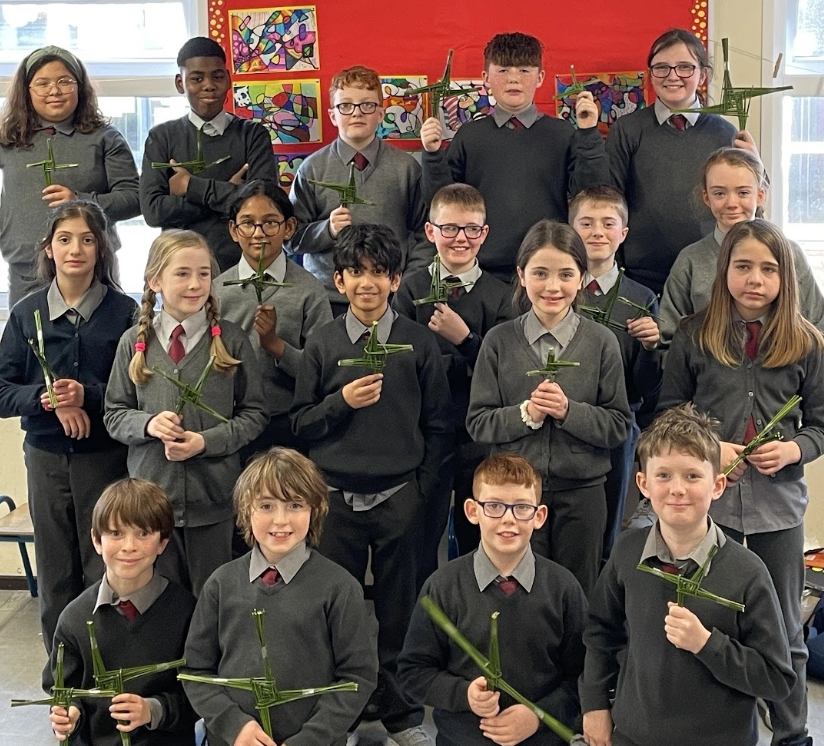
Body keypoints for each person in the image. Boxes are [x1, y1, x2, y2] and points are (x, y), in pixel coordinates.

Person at [659, 219, 824, 746]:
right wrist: (709, 450)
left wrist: (796, 449)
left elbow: (821, 425)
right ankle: (718, 727)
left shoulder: (807, 343)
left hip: (779, 509)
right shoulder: (692, 334)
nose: (755, 279)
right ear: (724, 269)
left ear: (786, 277)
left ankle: (792, 733)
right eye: (744, 266)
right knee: (710, 620)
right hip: (711, 510)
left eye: (769, 269)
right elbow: (667, 414)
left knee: (784, 625)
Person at [290, 224, 452, 745]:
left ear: (396, 280)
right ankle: (340, 716)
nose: (367, 283)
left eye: (379, 273)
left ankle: (402, 715)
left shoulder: (418, 341)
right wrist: (341, 403)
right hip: (334, 500)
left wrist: (421, 490)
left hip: (400, 497)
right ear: (338, 280)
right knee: (336, 613)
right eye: (355, 272)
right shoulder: (323, 342)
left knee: (399, 613)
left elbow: (440, 425)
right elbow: (300, 422)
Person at [580, 404, 796, 746]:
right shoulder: (627, 551)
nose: (677, 489)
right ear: (643, 483)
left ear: (718, 485)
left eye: (692, 476)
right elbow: (600, 631)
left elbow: (777, 678)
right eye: (663, 475)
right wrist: (594, 704)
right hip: (634, 736)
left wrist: (707, 645)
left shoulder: (748, 572)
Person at [466, 220, 630, 596]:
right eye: (540, 273)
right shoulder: (499, 341)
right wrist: (526, 415)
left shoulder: (602, 342)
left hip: (583, 493)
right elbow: (478, 423)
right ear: (522, 275)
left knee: (579, 593)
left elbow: (619, 424)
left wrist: (570, 411)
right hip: (515, 496)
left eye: (565, 274)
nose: (552, 287)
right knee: (520, 592)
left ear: (582, 278)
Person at [0, 200, 136, 651]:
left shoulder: (126, 313)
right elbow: (2, 391)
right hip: (46, 458)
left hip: (106, 457)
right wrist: (47, 400)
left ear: (102, 249)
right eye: (64, 239)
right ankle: (62, 667)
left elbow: (139, 386)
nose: (75, 249)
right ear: (48, 249)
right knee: (55, 566)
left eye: (87, 239)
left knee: (106, 562)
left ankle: (106, 663)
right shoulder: (26, 313)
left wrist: (87, 395)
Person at [104, 229, 267, 595]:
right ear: (155, 281)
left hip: (214, 502)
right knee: (159, 602)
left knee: (213, 599)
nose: (195, 284)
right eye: (182, 273)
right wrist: (148, 424)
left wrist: (205, 442)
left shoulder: (231, 340)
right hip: (150, 508)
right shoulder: (133, 342)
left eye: (204, 273)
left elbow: (255, 414)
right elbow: (114, 413)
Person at [182, 447, 378, 746]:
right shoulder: (220, 584)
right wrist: (234, 726)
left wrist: (310, 739)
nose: (281, 520)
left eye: (295, 505)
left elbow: (357, 678)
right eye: (266, 506)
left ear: (315, 509)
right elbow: (195, 671)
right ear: (246, 510)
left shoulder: (340, 587)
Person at [398, 452, 587, 746]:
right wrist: (464, 694)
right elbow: (413, 673)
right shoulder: (443, 587)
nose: (508, 519)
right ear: (473, 511)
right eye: (495, 506)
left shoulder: (563, 588)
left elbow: (584, 677)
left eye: (522, 507)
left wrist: (539, 715)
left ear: (539, 516)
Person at [419, 32, 607, 281]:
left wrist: (589, 133)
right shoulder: (470, 136)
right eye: (503, 70)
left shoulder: (562, 134)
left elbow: (591, 194)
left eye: (524, 70)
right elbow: (440, 203)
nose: (514, 79)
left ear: (540, 77)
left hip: (547, 266)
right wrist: (433, 155)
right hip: (481, 269)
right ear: (486, 78)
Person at [393, 183, 512, 563]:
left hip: (477, 435)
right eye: (449, 228)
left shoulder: (502, 296)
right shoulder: (410, 290)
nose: (461, 238)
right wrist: (458, 364)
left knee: (476, 534)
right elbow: (400, 363)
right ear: (431, 232)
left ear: (484, 233)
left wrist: (465, 340)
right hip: (422, 433)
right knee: (421, 534)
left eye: (471, 229)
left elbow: (505, 372)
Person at [606, 28, 760, 295]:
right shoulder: (627, 130)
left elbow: (745, 206)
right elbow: (610, 202)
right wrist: (615, 266)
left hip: (711, 274)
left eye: (685, 67)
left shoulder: (725, 133)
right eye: (661, 68)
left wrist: (756, 168)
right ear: (650, 74)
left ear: (703, 74)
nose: (673, 76)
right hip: (641, 277)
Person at [46, 477, 197, 745]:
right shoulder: (74, 619)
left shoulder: (188, 612)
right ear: (97, 540)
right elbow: (62, 689)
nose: (129, 546)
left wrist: (153, 710)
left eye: (143, 533)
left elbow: (202, 691)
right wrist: (69, 713)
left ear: (162, 542)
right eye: (116, 533)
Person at [0, 45, 140, 306]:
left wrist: (80, 201)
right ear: (26, 90)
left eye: (64, 81)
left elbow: (134, 198)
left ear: (79, 87)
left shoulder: (105, 138)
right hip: (26, 271)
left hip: (93, 271)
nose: (54, 91)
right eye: (42, 83)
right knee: (31, 332)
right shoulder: (8, 139)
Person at [289, 65, 432, 313]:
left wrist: (407, 283)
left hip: (391, 300)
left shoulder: (407, 169)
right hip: (327, 300)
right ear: (332, 115)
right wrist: (327, 230)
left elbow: (426, 234)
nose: (356, 113)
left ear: (381, 113)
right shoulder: (311, 170)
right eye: (345, 106)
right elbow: (290, 238)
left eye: (367, 105)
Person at [569, 185, 661, 559]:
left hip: (618, 429)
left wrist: (651, 350)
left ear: (623, 233)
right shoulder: (556, 290)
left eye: (608, 224)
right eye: (586, 223)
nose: (597, 232)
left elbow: (647, 388)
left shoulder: (641, 299)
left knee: (609, 529)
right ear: (570, 229)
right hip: (563, 423)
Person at [659, 147, 824, 347]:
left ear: (760, 196)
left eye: (743, 192)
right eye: (719, 193)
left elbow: (818, 328)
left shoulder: (790, 254)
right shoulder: (690, 260)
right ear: (707, 197)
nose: (731, 203)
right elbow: (667, 340)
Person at [140, 37, 279, 273]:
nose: (208, 85)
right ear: (180, 83)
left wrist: (190, 186)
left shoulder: (253, 135)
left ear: (228, 79)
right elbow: (153, 211)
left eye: (217, 77)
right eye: (197, 78)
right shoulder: (161, 137)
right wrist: (230, 195)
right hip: (180, 269)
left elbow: (261, 205)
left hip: (241, 268)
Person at [215, 179, 332, 460]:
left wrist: (275, 345)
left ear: (288, 227)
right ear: (233, 230)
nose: (259, 233)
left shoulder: (309, 290)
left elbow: (324, 371)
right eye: (247, 223)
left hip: (288, 422)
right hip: (229, 422)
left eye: (270, 223)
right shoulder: (215, 291)